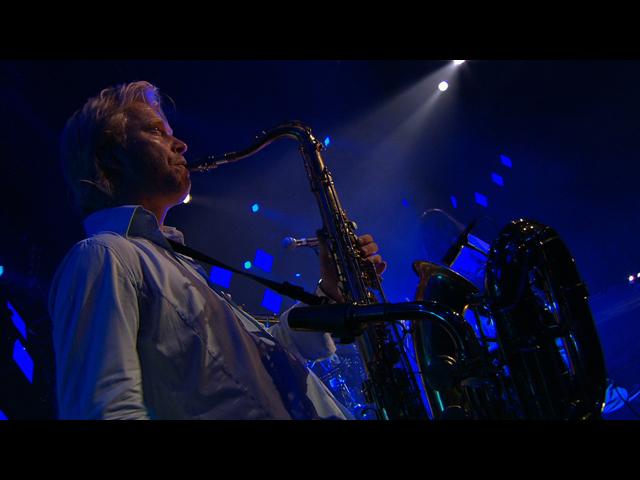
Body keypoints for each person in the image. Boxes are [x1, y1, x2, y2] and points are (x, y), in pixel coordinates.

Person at [49, 81, 387, 420]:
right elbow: (103, 412)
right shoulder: (102, 255)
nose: (181, 144)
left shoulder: (170, 261)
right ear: (112, 157)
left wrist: (329, 291)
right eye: (156, 131)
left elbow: (265, 361)